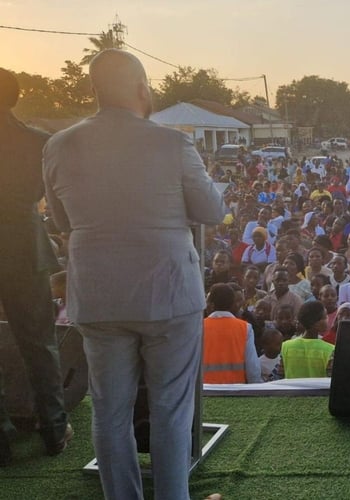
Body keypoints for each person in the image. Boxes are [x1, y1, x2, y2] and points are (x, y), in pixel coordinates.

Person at [43, 50, 225, 499]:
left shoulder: (58, 145)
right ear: (144, 88)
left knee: (109, 411)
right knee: (170, 411)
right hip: (169, 293)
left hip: (99, 295)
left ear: (93, 91)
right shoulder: (172, 144)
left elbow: (62, 220)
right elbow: (212, 211)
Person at [0, 67, 70, 466]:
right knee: (39, 343)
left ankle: (2, 439)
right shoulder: (38, 142)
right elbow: (45, 198)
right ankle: (54, 431)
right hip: (24, 247)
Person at [202, 283, 261, 384]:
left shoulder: (199, 327)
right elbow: (253, 368)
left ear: (211, 303)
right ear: (232, 303)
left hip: (206, 390)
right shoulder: (245, 328)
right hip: (236, 391)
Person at [276, 301, 335, 378]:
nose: (327, 319)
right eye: (324, 317)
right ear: (316, 324)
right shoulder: (330, 350)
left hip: (291, 390)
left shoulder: (286, 346)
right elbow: (331, 378)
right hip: (318, 390)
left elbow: (280, 375)